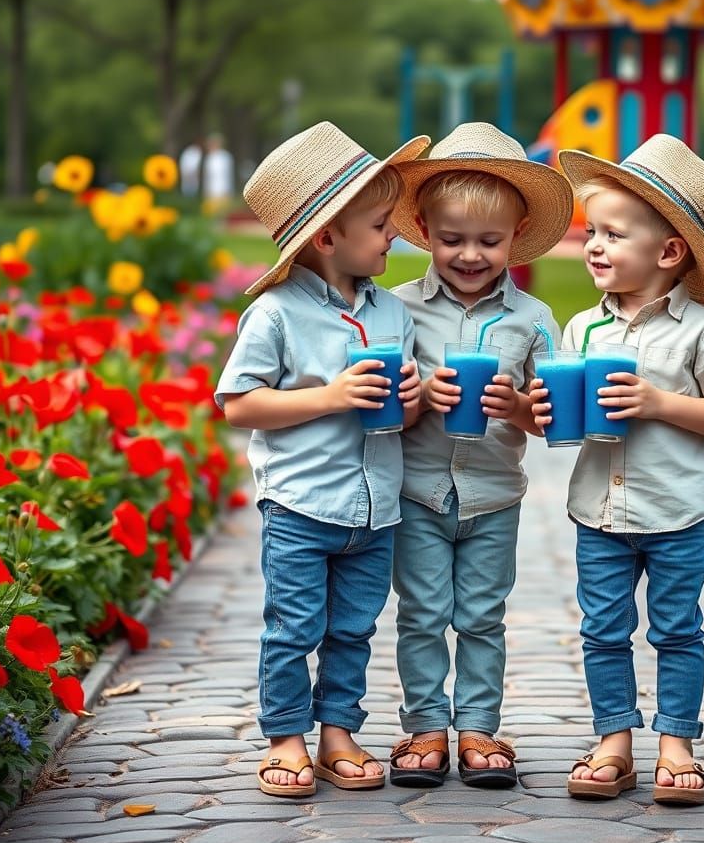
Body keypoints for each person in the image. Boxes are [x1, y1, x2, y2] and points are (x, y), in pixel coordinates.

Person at [531, 135, 704, 804]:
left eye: (612, 234)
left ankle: (677, 742)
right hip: (599, 510)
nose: (594, 245)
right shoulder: (581, 331)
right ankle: (614, 741)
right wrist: (544, 410)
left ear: (668, 252)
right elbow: (559, 428)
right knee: (601, 630)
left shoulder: (702, 333)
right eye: (591, 232)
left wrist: (660, 403)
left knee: (676, 629)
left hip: (676, 511)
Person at [215, 122, 430, 797]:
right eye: (378, 224)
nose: (392, 235)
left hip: (375, 510)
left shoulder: (392, 313)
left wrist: (416, 397)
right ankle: (285, 736)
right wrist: (333, 395)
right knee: (294, 627)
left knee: (353, 629)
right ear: (327, 236)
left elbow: (404, 408)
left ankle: (338, 731)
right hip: (302, 506)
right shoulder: (275, 315)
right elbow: (239, 404)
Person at [386, 122, 574, 789]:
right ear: (424, 229)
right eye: (452, 239)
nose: (470, 254)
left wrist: (516, 403)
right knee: (422, 614)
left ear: (517, 236)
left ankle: (480, 729)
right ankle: (425, 728)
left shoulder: (535, 319)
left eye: (489, 241)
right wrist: (421, 396)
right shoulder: (397, 310)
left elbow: (555, 421)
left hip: (494, 494)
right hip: (418, 491)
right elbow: (383, 413)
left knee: (482, 617)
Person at [202, 132, 236, 210]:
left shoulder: (226, 157)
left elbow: (229, 175)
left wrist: (229, 190)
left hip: (224, 190)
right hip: (211, 191)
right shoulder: (208, 158)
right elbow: (207, 177)